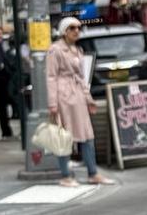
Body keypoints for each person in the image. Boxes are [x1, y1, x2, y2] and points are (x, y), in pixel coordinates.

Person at [45, 16, 114, 187]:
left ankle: (93, 173)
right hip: (64, 96)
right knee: (65, 136)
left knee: (87, 135)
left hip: (78, 96)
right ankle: (66, 175)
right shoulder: (55, 50)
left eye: (78, 27)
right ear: (64, 31)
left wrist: (88, 98)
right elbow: (51, 77)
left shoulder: (77, 49)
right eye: (72, 28)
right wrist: (53, 103)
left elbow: (81, 77)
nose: (77, 31)